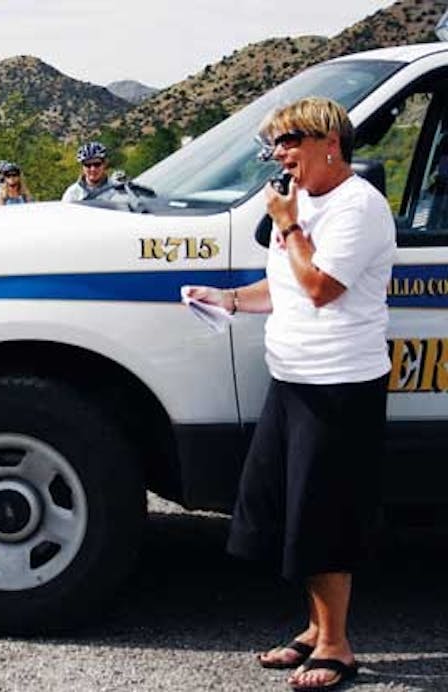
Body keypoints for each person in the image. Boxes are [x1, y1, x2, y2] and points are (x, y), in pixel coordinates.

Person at [183, 97, 395, 692]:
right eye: (275, 144)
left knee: (324, 515)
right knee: (291, 509)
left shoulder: (358, 206)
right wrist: (227, 300)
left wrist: (288, 224)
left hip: (338, 384)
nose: (279, 155)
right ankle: (315, 627)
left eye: (289, 141)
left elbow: (322, 287)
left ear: (329, 142)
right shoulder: (303, 203)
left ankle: (336, 645)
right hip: (294, 378)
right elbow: (286, 286)